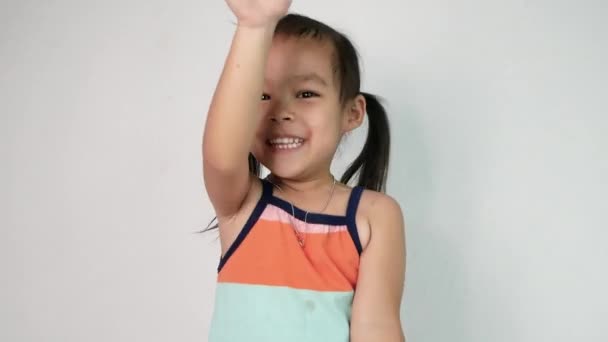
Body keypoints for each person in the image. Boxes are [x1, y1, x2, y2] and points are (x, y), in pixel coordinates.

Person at [201, 1, 407, 341]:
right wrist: (254, 26)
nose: (280, 112)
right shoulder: (243, 206)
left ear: (352, 113)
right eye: (262, 95)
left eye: (306, 93)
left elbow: (376, 329)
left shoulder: (374, 216)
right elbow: (221, 157)